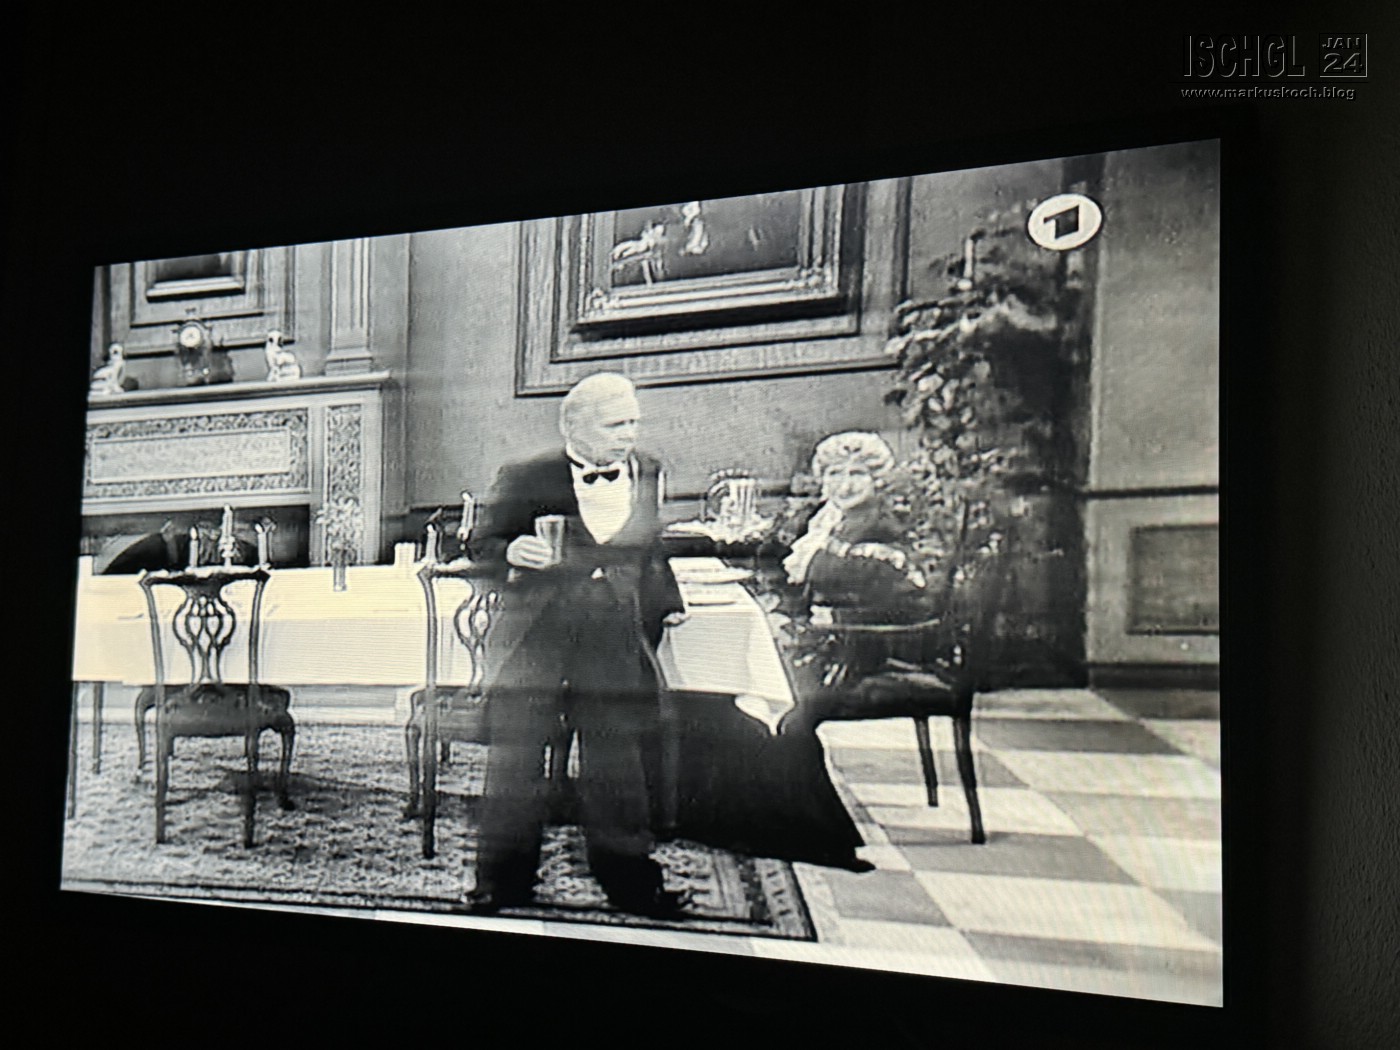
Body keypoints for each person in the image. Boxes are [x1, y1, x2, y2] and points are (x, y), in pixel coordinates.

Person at [464, 372, 689, 917]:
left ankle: (631, 883)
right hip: (537, 634)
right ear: (574, 426)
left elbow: (649, 545)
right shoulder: (526, 474)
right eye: (615, 425)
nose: (629, 434)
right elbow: (479, 542)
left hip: (612, 632)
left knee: (617, 759)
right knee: (517, 757)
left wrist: (665, 602)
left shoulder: (647, 469)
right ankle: (500, 881)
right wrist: (510, 550)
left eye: (633, 422)